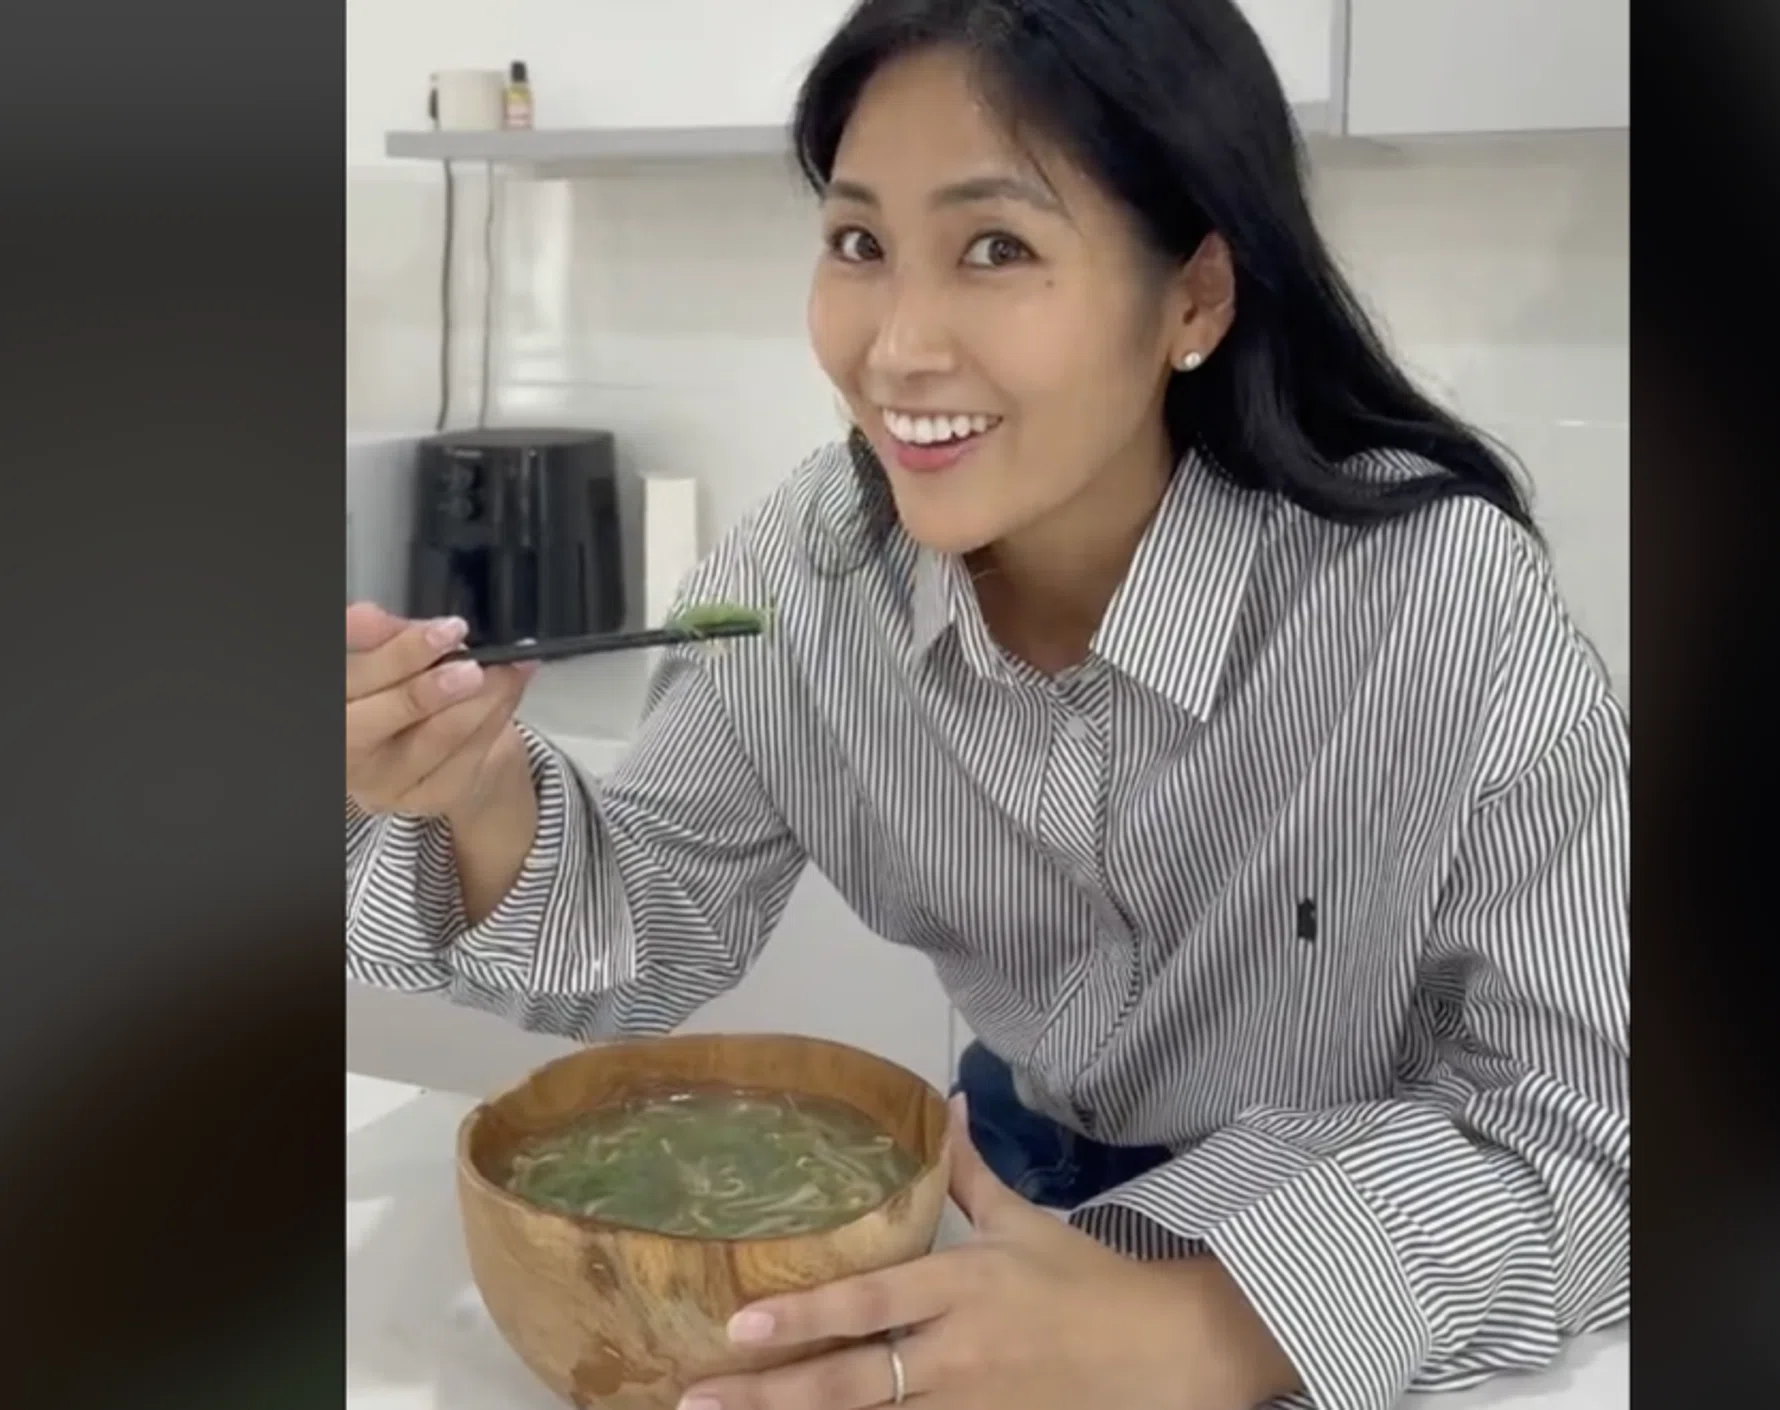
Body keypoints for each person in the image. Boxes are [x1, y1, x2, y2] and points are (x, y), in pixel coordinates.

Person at [345, 1, 1629, 1406]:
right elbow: (647, 917)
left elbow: (1593, 1138)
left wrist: (1201, 1329)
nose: (895, 348)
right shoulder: (815, 569)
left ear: (1194, 295)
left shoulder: (1435, 601)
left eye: (996, 248)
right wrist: (472, 791)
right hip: (996, 1211)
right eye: (858, 244)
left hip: (1367, 1286)